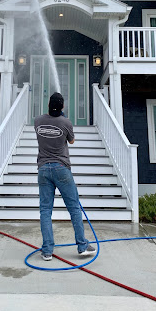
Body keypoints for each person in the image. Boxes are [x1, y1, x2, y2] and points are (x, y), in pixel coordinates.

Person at [34, 92, 96, 261]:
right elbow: (72, 141)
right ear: (62, 107)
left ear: (48, 105)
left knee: (45, 211)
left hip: (43, 170)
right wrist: (63, 120)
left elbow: (45, 131)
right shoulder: (65, 122)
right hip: (61, 168)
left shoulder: (38, 121)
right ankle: (82, 246)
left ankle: (47, 251)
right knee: (74, 208)